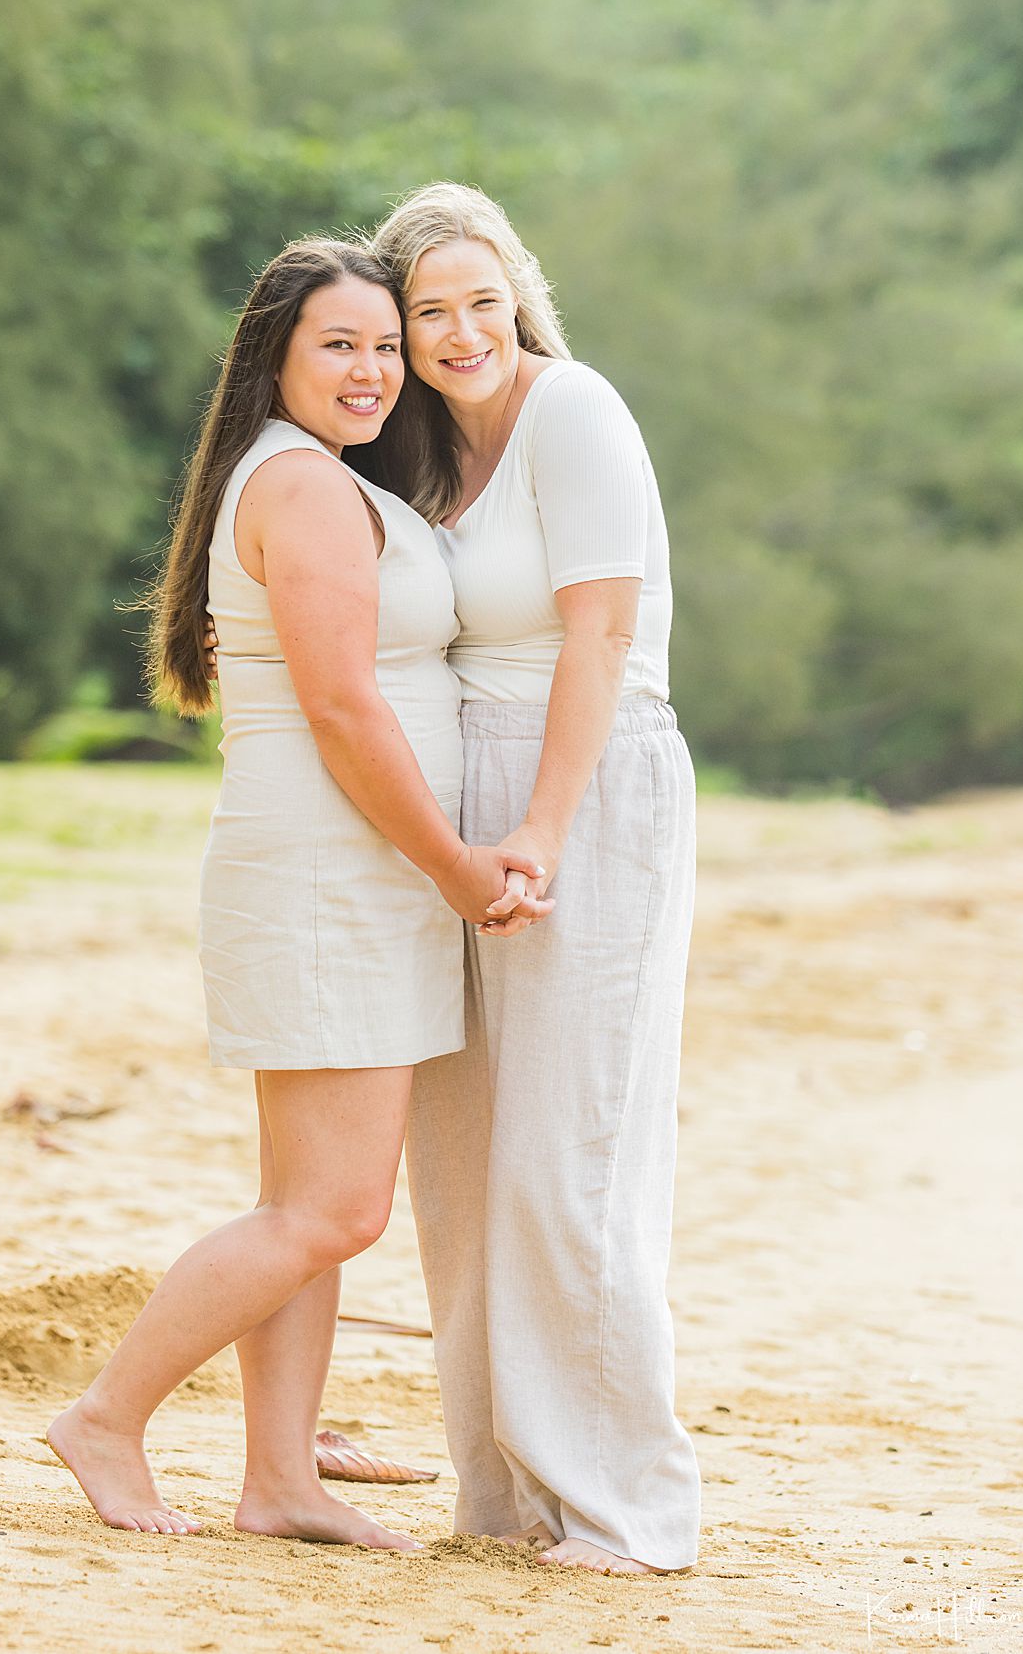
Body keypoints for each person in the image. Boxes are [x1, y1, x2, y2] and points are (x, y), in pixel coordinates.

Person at [47, 238, 547, 1546]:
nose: (375, 368)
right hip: (334, 878)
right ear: (274, 356)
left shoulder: (312, 482)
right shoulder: (309, 494)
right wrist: (453, 868)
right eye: (343, 343)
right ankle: (107, 1415)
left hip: (340, 877)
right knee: (334, 1208)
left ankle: (278, 1480)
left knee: (303, 1204)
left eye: (386, 345)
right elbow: (340, 703)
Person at [367, 183, 703, 1576]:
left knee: (569, 1156)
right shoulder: (422, 450)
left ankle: (627, 1508)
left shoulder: (576, 412)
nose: (461, 334)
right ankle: (502, 1493)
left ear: (519, 296)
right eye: (430, 313)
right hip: (461, 808)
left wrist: (544, 834)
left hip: (589, 790)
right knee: (461, 1165)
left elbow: (601, 641)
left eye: (480, 303)